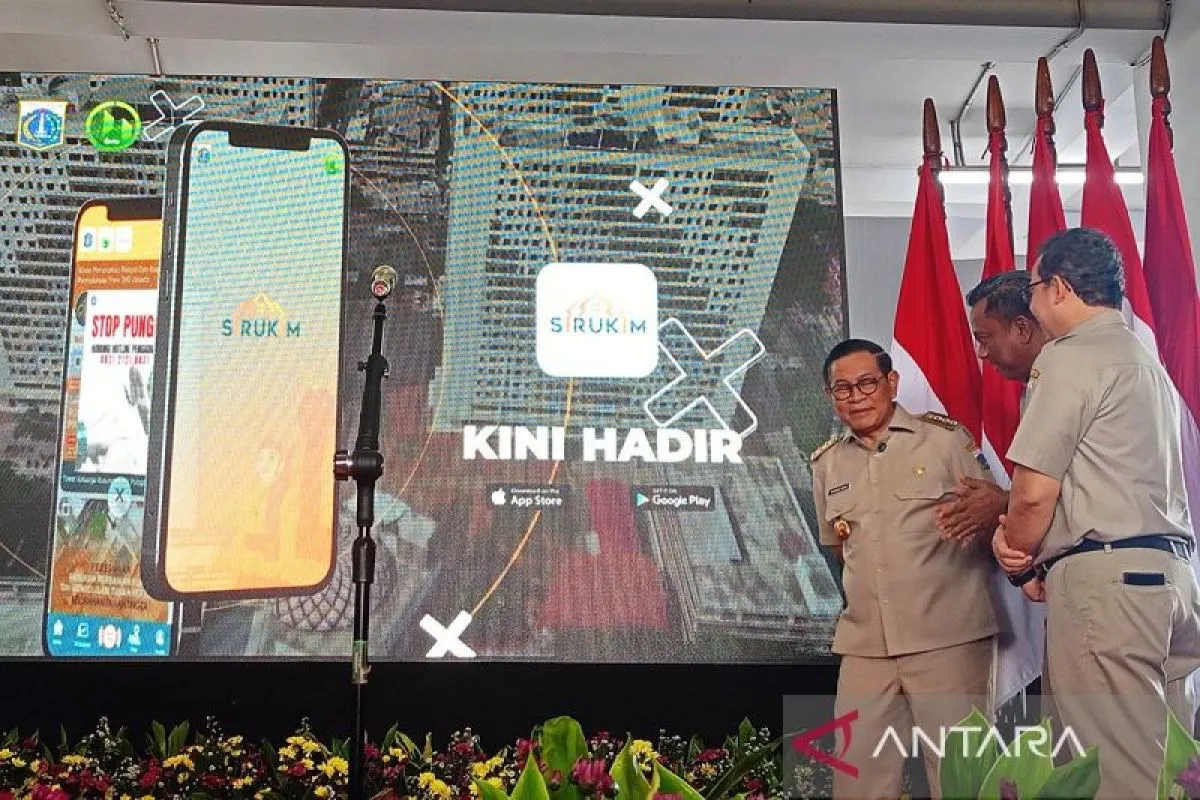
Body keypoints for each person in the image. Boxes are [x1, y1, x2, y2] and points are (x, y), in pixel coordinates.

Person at [992, 227, 1200, 799]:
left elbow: (1033, 493)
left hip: (1108, 586)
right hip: (1170, 580)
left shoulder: (1070, 357)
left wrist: (1017, 555)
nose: (1032, 302)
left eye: (1034, 288)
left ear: (1058, 288)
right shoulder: (1143, 357)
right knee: (1169, 773)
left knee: (1110, 776)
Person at [811, 338, 1000, 799]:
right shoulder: (826, 463)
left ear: (891, 382)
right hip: (866, 647)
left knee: (961, 782)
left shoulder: (945, 441)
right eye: (842, 389)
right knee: (856, 782)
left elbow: (993, 517)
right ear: (831, 397)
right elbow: (841, 548)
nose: (856, 397)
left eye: (866, 383)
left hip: (947, 640)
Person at [936, 271, 1049, 541]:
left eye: (985, 339)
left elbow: (1067, 488)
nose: (981, 352)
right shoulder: (1036, 387)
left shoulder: (1061, 383)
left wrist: (1003, 503)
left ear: (1022, 329)